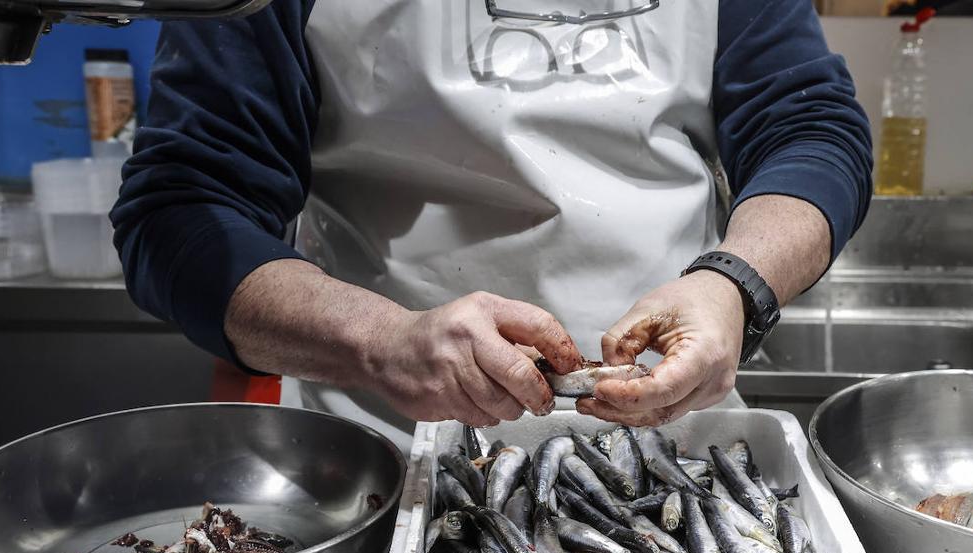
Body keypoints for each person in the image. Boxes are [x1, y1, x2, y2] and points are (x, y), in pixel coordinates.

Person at [111, 0, 872, 446]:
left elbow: (810, 129)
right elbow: (182, 209)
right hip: (390, 462)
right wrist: (380, 340)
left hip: (684, 450)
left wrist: (733, 285)